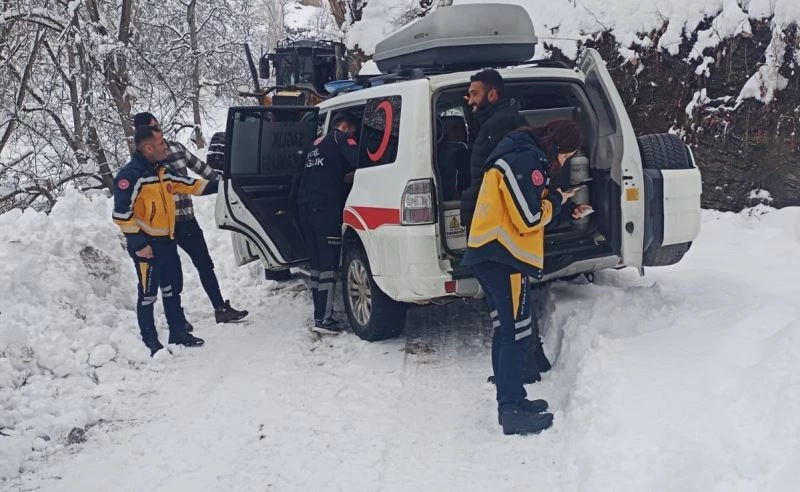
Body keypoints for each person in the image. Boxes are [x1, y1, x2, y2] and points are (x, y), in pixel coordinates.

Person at [461, 119, 584, 435]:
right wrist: (557, 201)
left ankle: (514, 397)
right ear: (557, 145)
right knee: (514, 333)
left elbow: (522, 210)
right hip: (502, 257)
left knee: (507, 329)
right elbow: (529, 217)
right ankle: (511, 409)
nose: (565, 162)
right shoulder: (526, 160)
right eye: (567, 156)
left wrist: (559, 206)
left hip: (494, 255)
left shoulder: (521, 156)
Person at [132, 113, 248, 326]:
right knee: (171, 273)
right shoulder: (140, 167)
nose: (159, 131)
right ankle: (178, 319)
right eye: (153, 128)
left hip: (186, 221)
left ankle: (220, 307)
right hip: (161, 229)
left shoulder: (176, 148)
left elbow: (202, 170)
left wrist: (224, 185)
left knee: (205, 264)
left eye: (158, 125)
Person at [112, 126, 219, 356]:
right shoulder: (130, 176)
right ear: (148, 148)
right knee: (148, 293)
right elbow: (121, 214)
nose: (166, 147)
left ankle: (177, 332)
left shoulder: (162, 171)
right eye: (161, 144)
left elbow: (189, 184)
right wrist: (139, 243)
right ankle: (150, 340)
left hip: (167, 241)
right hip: (146, 247)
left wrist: (220, 185)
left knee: (172, 289)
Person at [296, 112, 360, 335]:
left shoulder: (313, 145)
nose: (353, 135)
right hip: (326, 208)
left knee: (316, 267)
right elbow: (359, 160)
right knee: (329, 265)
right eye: (353, 130)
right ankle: (324, 319)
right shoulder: (340, 138)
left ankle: (318, 314)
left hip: (306, 209)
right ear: (343, 126)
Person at [459, 69, 526, 234]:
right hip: (490, 212)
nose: (470, 101)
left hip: (494, 217)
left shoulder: (500, 125)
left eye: (474, 94)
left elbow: (498, 178)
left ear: (492, 95)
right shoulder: (489, 123)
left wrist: (473, 207)